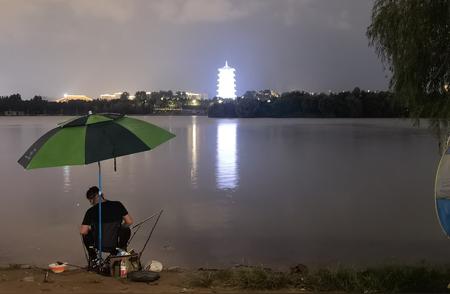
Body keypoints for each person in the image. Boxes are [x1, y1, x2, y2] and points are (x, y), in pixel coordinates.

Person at [80, 186, 133, 260]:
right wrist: (119, 228)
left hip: (98, 245)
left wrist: (92, 228)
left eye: (90, 200)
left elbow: (83, 231)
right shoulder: (118, 205)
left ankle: (94, 258)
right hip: (115, 244)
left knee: (86, 234)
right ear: (102, 194)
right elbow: (129, 222)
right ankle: (120, 253)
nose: (91, 203)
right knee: (126, 229)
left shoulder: (90, 211)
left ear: (93, 198)